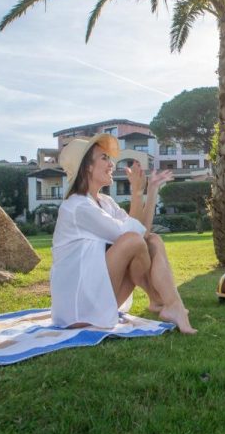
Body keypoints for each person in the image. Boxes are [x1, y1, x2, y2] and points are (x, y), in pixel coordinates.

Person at [50, 133, 197, 334]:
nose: (111, 164)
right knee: (132, 241)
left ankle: (167, 303)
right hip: (76, 310)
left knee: (153, 239)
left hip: (98, 296)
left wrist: (150, 191)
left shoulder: (105, 202)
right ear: (87, 168)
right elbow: (131, 236)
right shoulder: (77, 206)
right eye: (104, 158)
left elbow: (142, 232)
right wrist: (137, 193)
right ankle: (162, 301)